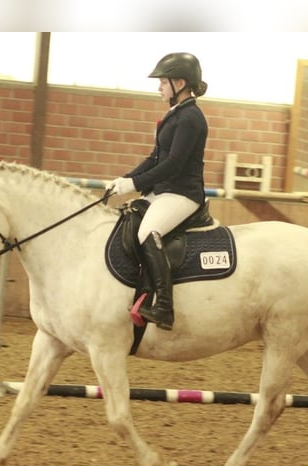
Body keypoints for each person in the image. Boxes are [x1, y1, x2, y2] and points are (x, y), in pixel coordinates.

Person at [106, 52, 209, 331]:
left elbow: (173, 165)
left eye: (163, 82)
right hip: (164, 191)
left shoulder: (191, 118)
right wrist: (124, 180)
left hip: (182, 194)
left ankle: (164, 305)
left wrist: (135, 185)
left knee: (146, 233)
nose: (159, 88)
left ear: (180, 82)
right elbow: (154, 158)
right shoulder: (175, 115)